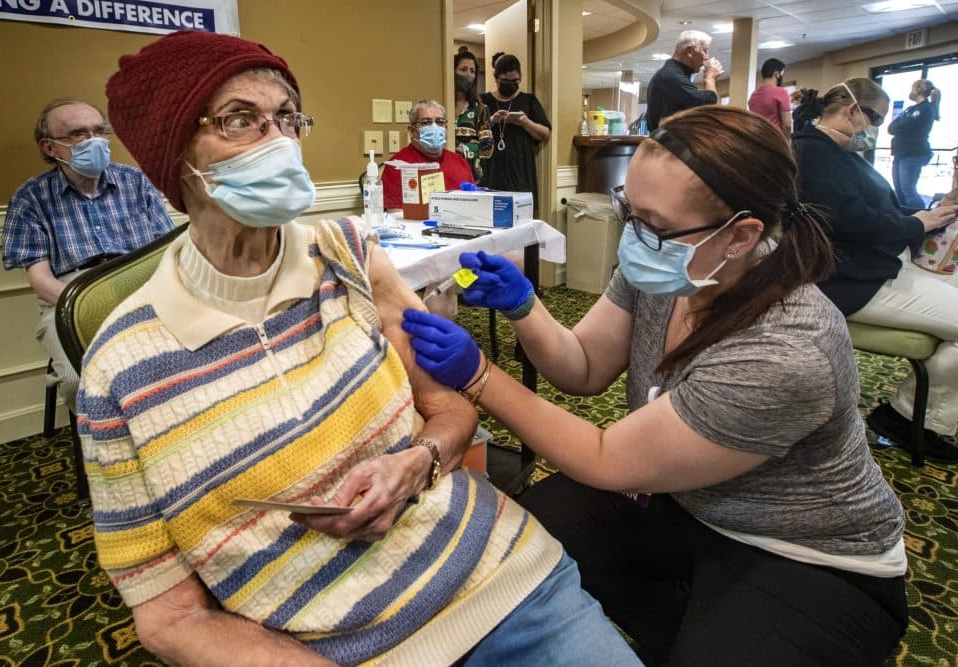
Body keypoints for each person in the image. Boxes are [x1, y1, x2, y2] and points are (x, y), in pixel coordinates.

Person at [82, 30, 638, 667]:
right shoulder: (120, 366)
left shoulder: (348, 254)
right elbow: (168, 617)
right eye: (241, 120)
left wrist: (422, 461)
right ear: (175, 158)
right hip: (342, 648)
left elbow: (452, 413)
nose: (279, 141)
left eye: (288, 117)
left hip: (507, 584)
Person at [403, 105, 909, 665]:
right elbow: (585, 368)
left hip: (805, 554)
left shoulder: (786, 349)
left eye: (655, 225)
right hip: (690, 510)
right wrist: (526, 307)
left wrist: (479, 376)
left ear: (741, 234)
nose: (634, 236)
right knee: (522, 537)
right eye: (629, 209)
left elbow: (604, 458)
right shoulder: (675, 261)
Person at [794, 78, 958, 462]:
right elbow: (852, 220)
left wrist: (930, 215)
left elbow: (879, 210)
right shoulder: (813, 154)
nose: (878, 130)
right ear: (852, 111)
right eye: (877, 120)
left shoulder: (840, 155)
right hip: (850, 282)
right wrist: (918, 223)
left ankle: (911, 413)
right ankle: (908, 416)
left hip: (877, 268)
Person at [1, 98, 173, 411]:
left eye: (99, 131)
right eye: (78, 134)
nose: (92, 140)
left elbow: (167, 251)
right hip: (69, 294)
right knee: (80, 380)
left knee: (186, 354)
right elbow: (40, 281)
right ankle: (103, 447)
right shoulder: (31, 199)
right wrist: (93, 305)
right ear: (50, 147)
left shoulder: (136, 182)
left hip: (143, 281)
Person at [479, 53, 550, 205]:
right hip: (490, 173)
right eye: (505, 81)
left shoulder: (529, 100)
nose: (511, 84)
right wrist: (491, 121)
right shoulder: (484, 101)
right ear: (496, 78)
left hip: (520, 174)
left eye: (515, 81)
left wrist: (525, 122)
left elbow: (545, 133)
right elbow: (472, 136)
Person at [381, 100, 473, 210]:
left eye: (440, 122)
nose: (434, 128)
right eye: (426, 122)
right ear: (411, 131)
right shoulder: (397, 166)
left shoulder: (459, 162)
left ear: (446, 128)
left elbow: (473, 205)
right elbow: (395, 214)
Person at [645, 30, 723, 131]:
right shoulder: (672, 77)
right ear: (689, 52)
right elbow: (708, 107)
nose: (706, 57)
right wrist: (710, 78)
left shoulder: (670, 73)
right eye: (705, 51)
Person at [888, 79, 942, 209]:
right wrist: (900, 124)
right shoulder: (911, 109)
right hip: (900, 154)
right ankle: (904, 217)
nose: (910, 91)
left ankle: (921, 218)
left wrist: (900, 124)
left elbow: (902, 126)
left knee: (908, 191)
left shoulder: (926, 109)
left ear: (918, 89)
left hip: (913, 154)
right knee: (899, 190)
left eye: (912, 88)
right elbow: (891, 127)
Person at [454, 49, 493, 183]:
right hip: (443, 174)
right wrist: (471, 142)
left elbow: (487, 147)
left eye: (472, 71)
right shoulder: (441, 107)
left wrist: (463, 148)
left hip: (471, 177)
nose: (468, 74)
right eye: (463, 69)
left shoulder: (480, 109)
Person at [748, 58, 791, 138]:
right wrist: (787, 142)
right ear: (777, 74)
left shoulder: (753, 95)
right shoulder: (781, 92)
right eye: (782, 74)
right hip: (775, 140)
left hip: (757, 140)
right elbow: (787, 124)